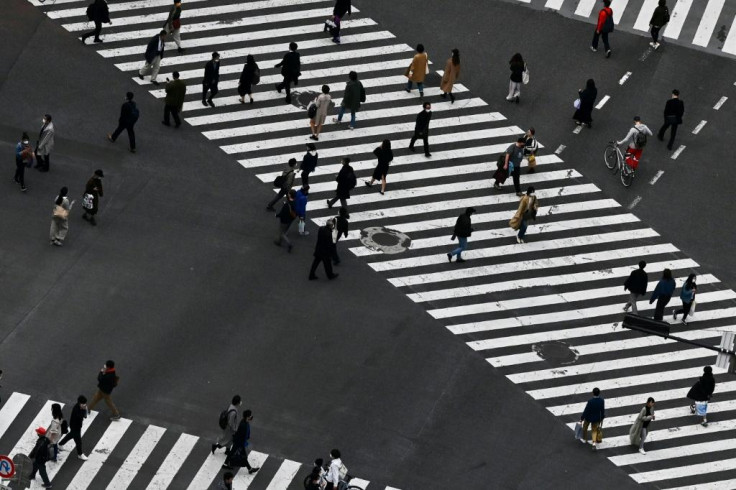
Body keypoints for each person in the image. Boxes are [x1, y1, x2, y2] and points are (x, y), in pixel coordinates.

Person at [58, 395, 88, 460]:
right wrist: (83, 410)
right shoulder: (76, 409)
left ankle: (60, 444)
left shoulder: (80, 406)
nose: (85, 405)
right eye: (83, 404)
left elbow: (85, 416)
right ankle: (80, 454)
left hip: (76, 426)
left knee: (71, 435)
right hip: (75, 426)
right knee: (78, 441)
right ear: (80, 403)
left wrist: (84, 409)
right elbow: (82, 416)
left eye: (85, 403)